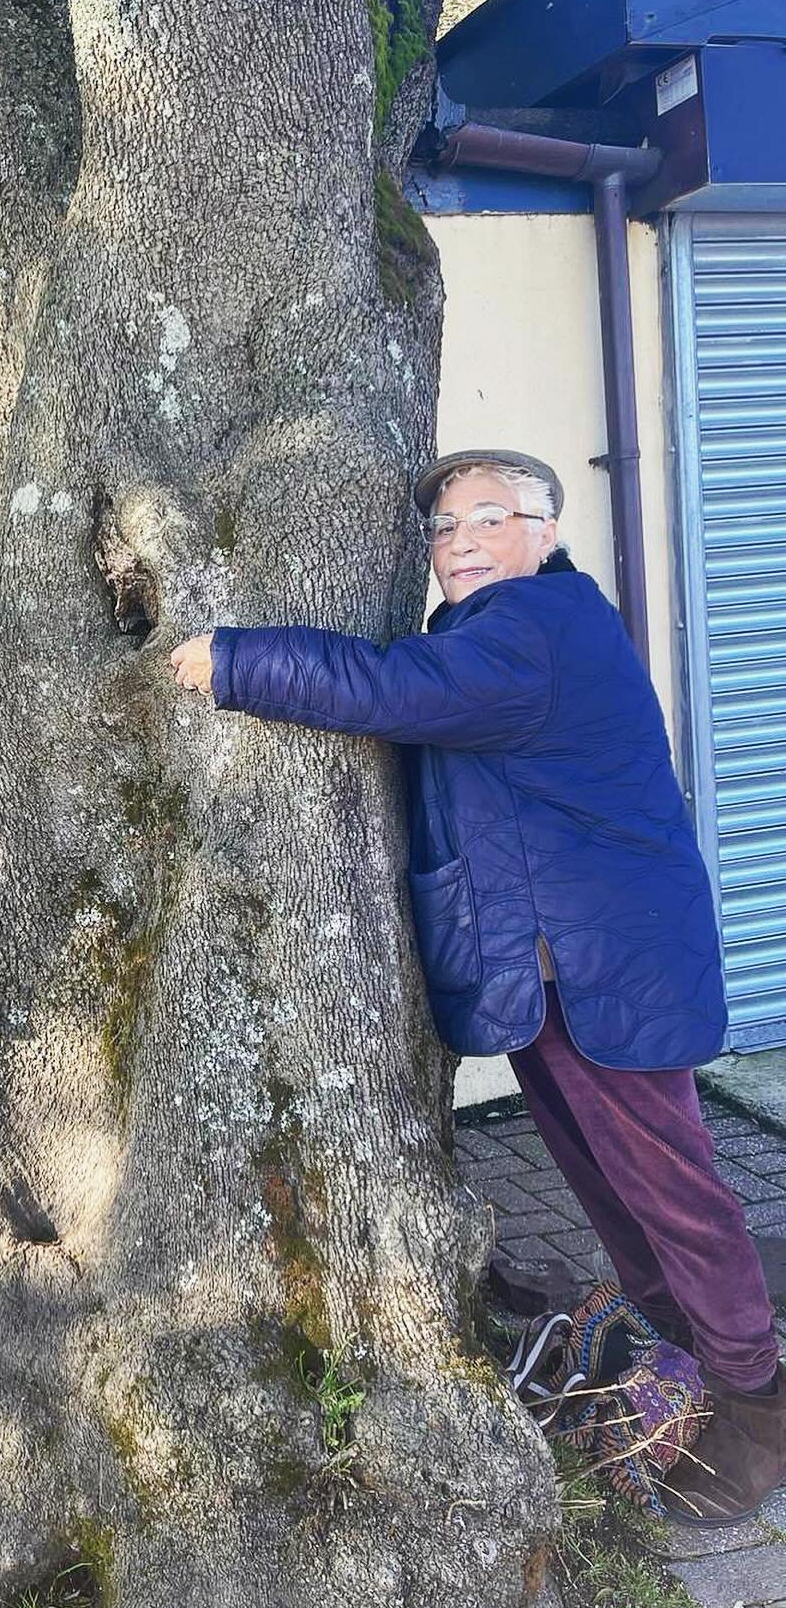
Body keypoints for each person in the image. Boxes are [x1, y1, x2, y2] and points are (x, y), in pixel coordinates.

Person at [169, 448, 786, 1525]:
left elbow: (393, 691)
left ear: (542, 531)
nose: (457, 541)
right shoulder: (492, 628)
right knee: (612, 1188)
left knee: (676, 1197)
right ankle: (687, 1351)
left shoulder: (536, 629)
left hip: (605, 967)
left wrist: (233, 660)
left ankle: (756, 1400)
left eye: (486, 518)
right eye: (443, 527)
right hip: (555, 973)